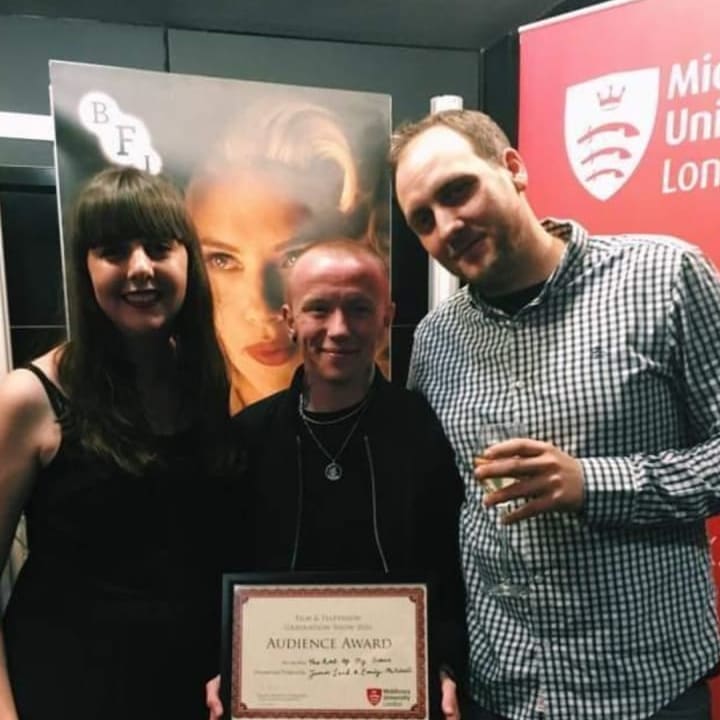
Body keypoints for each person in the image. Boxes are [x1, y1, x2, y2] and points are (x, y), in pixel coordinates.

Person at [390, 109, 720, 719]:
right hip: (501, 689)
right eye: (423, 220)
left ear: (513, 168)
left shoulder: (665, 277)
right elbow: (438, 508)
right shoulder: (435, 339)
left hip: (643, 688)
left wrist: (594, 483)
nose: (447, 226)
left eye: (458, 191)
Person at [0, 166, 235, 719]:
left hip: (185, 694)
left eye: (158, 247)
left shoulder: (203, 383)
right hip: (65, 694)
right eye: (113, 251)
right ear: (85, 268)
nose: (140, 268)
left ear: (188, 260)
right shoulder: (29, 398)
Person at [207, 239, 468, 720]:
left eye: (359, 309)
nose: (340, 329)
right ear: (290, 319)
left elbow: (448, 564)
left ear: (387, 317)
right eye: (319, 309)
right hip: (276, 698)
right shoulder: (248, 437)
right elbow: (223, 562)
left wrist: (444, 663)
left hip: (395, 693)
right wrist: (225, 662)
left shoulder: (423, 429)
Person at [186, 100, 389, 413]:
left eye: (293, 258)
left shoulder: (399, 414)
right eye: (222, 260)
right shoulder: (177, 418)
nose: (262, 309)